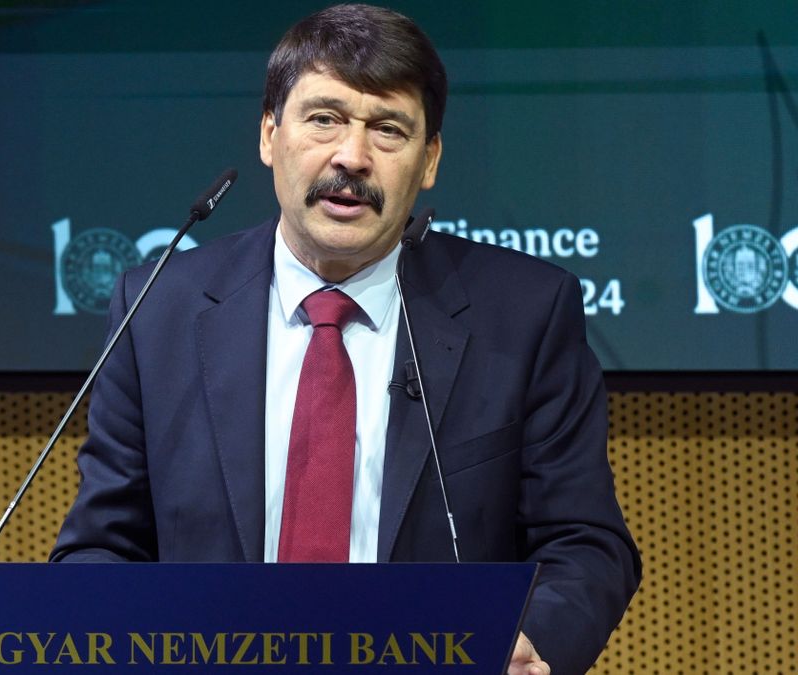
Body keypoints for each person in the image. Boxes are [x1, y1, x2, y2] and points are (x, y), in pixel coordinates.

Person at [51, 5, 640, 675]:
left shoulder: (525, 313)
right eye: (324, 118)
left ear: (429, 160)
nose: (352, 157)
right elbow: (100, 546)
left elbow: (585, 543)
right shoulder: (157, 307)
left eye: (388, 129)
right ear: (270, 135)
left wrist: (535, 637)